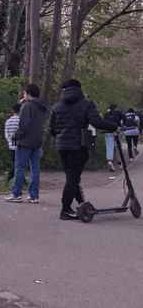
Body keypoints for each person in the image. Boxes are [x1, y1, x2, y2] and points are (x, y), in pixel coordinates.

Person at [49, 79, 118, 220]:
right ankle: (65, 210)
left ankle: (81, 203)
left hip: (62, 146)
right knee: (73, 179)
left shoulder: (57, 106)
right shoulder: (86, 104)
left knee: (71, 177)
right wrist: (114, 126)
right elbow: (96, 122)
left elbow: (52, 129)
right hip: (78, 146)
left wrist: (61, 136)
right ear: (79, 89)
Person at [5, 84, 48, 203]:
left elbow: (23, 125)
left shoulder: (27, 106)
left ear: (28, 94)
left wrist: (15, 136)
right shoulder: (42, 107)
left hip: (25, 142)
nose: (23, 95)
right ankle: (33, 196)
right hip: (37, 141)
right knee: (35, 170)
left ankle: (16, 194)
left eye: (24, 93)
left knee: (20, 168)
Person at [103, 104, 124, 171]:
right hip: (117, 131)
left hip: (108, 132)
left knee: (109, 147)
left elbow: (103, 122)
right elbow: (124, 120)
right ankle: (120, 163)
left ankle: (110, 161)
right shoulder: (119, 112)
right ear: (116, 108)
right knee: (118, 147)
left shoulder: (106, 114)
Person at [4, 104, 20, 183]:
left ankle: (20, 179)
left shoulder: (8, 121)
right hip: (20, 145)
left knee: (15, 162)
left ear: (13, 111)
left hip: (11, 145)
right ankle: (10, 177)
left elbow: (6, 134)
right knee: (18, 164)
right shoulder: (21, 120)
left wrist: (9, 141)